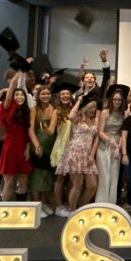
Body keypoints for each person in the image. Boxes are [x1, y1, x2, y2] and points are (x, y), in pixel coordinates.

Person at [56, 97, 98, 212]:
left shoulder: (95, 121)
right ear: (84, 108)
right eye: (90, 107)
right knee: (78, 185)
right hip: (75, 152)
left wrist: (92, 155)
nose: (92, 110)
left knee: (92, 186)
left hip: (87, 154)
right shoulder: (78, 119)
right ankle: (73, 210)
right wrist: (79, 100)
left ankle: (81, 208)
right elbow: (70, 116)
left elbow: (96, 139)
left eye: (94, 107)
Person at [0, 71, 32, 201]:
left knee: (23, 178)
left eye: (21, 94)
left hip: (23, 146)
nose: (19, 96)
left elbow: (27, 132)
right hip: (10, 146)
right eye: (16, 94)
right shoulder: (8, 106)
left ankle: (20, 206)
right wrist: (19, 71)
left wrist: (28, 148)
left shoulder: (26, 110)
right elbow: (12, 86)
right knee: (9, 179)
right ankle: (3, 208)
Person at [28, 85, 57, 217]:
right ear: (38, 96)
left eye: (48, 94)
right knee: (37, 175)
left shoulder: (54, 109)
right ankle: (36, 205)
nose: (46, 96)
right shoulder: (34, 109)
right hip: (38, 143)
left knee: (48, 175)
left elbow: (51, 130)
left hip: (51, 145)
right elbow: (30, 130)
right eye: (43, 94)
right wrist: (37, 146)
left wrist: (47, 129)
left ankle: (45, 203)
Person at [95, 86, 127, 204]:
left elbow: (123, 133)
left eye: (119, 100)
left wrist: (119, 146)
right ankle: (101, 202)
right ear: (111, 100)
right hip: (104, 145)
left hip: (117, 146)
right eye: (115, 99)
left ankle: (111, 202)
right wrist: (110, 142)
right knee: (104, 175)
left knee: (114, 175)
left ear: (122, 101)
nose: (117, 102)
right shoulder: (105, 112)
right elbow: (100, 132)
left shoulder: (124, 114)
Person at [51, 82, 77, 218]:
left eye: (67, 93)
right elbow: (51, 129)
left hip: (74, 147)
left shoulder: (75, 110)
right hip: (62, 147)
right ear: (59, 97)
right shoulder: (57, 111)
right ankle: (59, 205)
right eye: (63, 94)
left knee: (73, 180)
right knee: (60, 179)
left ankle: (68, 203)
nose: (65, 96)